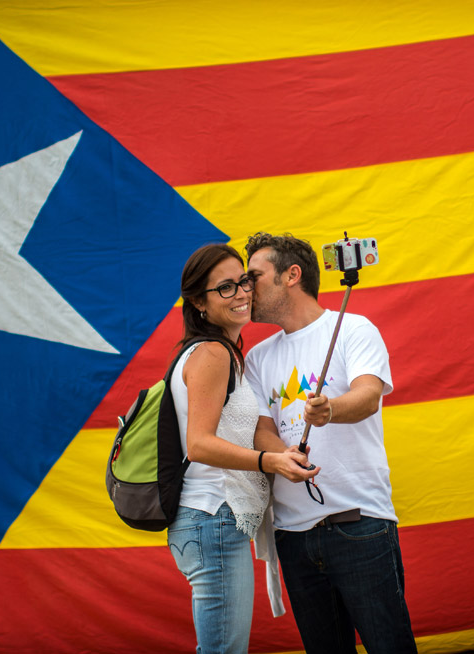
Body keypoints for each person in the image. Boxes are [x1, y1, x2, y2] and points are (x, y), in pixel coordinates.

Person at [243, 233, 418, 653]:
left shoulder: (354, 328)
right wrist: (277, 455)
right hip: (293, 535)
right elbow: (260, 427)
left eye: (255, 276)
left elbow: (368, 395)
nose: (247, 288)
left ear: (292, 275)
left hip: (359, 522)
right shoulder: (257, 357)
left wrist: (330, 410)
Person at [167, 243, 318, 653]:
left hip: (208, 519)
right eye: (226, 288)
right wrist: (269, 460)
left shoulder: (218, 353)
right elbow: (199, 445)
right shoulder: (213, 354)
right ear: (199, 302)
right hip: (213, 515)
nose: (242, 294)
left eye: (245, 282)